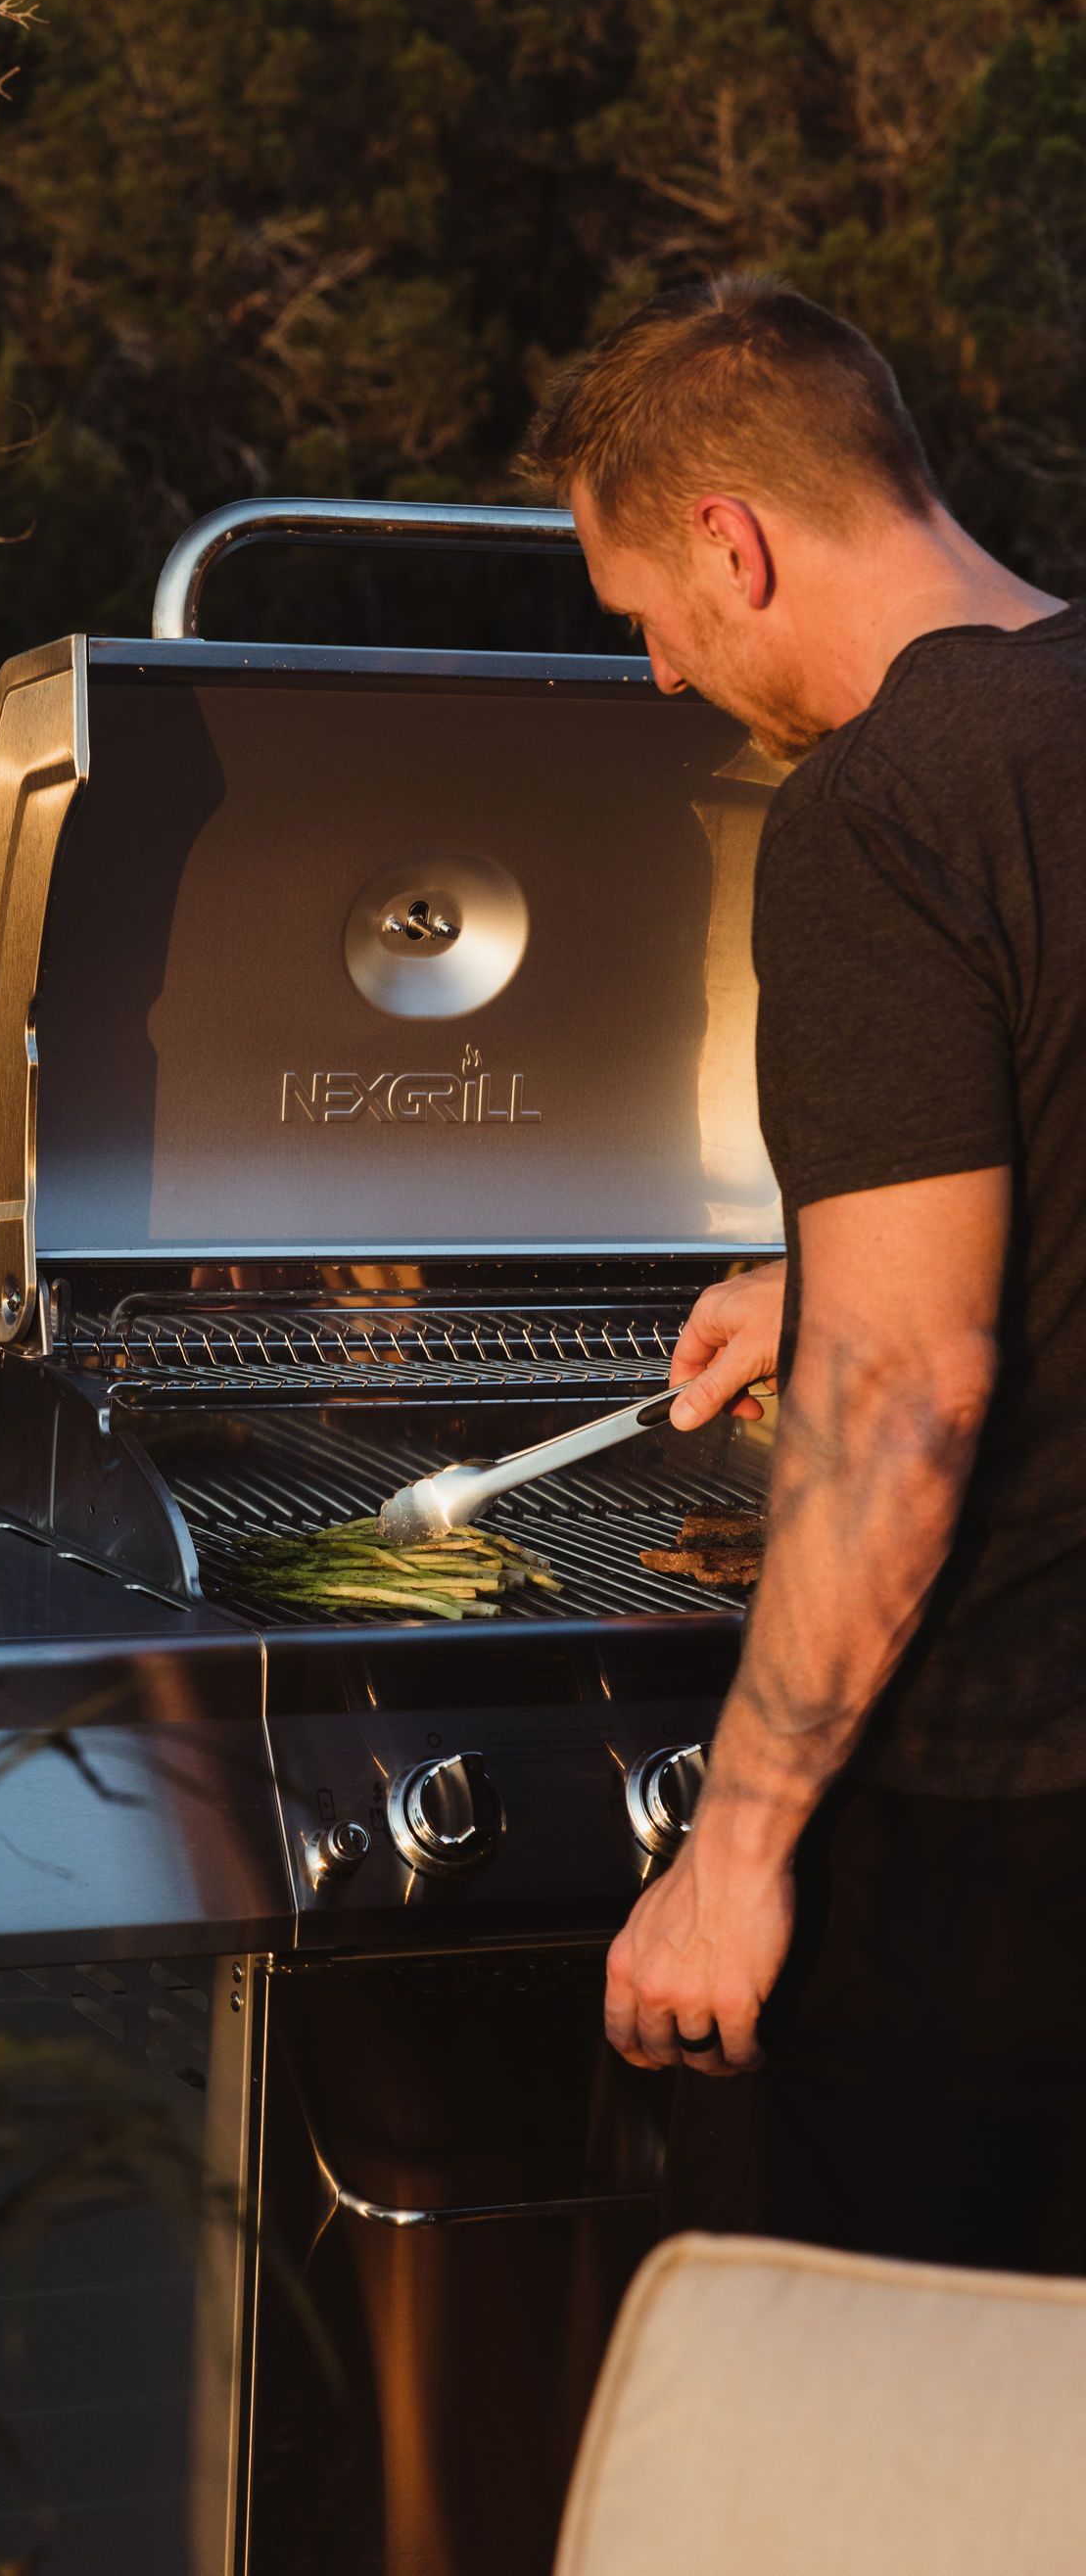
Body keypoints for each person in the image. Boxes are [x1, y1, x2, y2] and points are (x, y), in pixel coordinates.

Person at [521, 275, 1086, 2272]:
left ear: (729, 542)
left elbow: (908, 1396)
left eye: (644, 614)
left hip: (1010, 1832)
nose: (664, 674)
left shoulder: (881, 811)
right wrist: (831, 1267)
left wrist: (733, 1847)